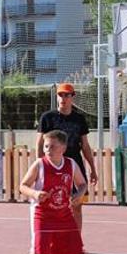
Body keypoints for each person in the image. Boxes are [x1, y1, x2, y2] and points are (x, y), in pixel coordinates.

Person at [13, 130, 94, 254]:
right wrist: (35, 193)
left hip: (64, 214)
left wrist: (78, 195)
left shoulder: (71, 164)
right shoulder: (39, 165)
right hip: (43, 214)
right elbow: (23, 186)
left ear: (63, 148)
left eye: (52, 146)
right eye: (46, 146)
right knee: (39, 253)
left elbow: (82, 184)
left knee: (76, 252)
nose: (48, 149)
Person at [37, 83, 98, 232]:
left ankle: (77, 244)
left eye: (67, 95)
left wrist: (93, 169)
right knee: (53, 204)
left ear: (72, 97)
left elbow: (85, 145)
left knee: (77, 205)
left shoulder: (79, 119)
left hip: (74, 164)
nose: (63, 98)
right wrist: (41, 166)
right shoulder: (47, 118)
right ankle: (53, 240)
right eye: (61, 95)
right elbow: (39, 143)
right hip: (54, 164)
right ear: (57, 97)